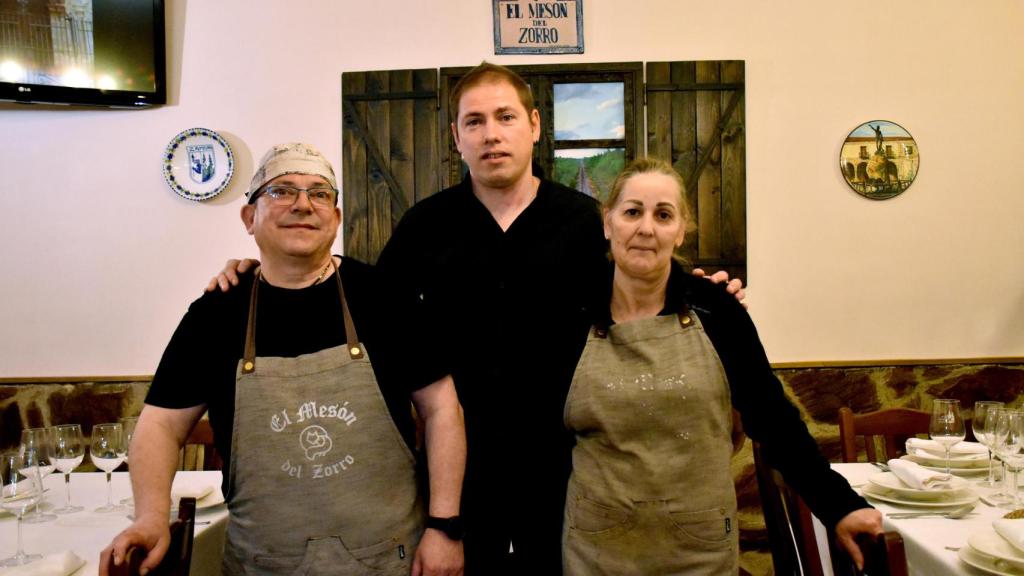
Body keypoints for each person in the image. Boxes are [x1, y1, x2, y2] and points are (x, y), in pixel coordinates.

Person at [209, 62, 744, 575]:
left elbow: (644, 288)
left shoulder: (585, 223)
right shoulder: (425, 226)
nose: (492, 134)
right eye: (475, 121)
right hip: (457, 473)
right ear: (455, 136)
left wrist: (708, 293)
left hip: (573, 469)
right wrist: (266, 268)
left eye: (506, 117)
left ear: (533, 125)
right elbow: (361, 301)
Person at [100, 143, 466, 576]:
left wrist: (444, 527)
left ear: (336, 217)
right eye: (282, 191)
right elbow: (161, 424)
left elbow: (442, 409)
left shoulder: (384, 298)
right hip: (260, 564)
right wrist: (150, 516)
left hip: (391, 559)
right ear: (249, 217)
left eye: (319, 193)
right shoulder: (216, 313)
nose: (302, 205)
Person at [562, 157, 882, 574]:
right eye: (632, 212)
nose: (645, 228)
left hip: (700, 547)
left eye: (663, 215)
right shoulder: (569, 314)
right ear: (608, 223)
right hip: (596, 547)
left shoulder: (717, 311)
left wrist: (839, 506)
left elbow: (775, 421)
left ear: (680, 232)